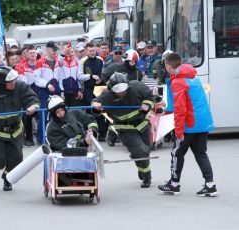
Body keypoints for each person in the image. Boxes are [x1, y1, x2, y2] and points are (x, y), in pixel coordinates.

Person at [157, 53, 217, 197]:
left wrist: (178, 131)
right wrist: (165, 110)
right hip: (203, 122)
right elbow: (181, 103)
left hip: (189, 124)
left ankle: (174, 184)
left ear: (168, 66)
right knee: (200, 153)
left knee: (176, 153)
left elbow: (180, 109)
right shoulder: (192, 76)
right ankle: (210, 185)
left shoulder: (178, 82)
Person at [0, 66, 39, 191]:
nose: (13, 83)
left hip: (16, 130)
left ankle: (7, 178)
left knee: (17, 159)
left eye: (14, 80)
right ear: (2, 83)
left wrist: (32, 107)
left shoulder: (20, 86)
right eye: (10, 82)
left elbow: (32, 98)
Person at [92, 72, 155, 188]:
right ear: (111, 88)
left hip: (142, 124)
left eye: (123, 89)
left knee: (145, 151)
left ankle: (140, 165)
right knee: (140, 151)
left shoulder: (137, 86)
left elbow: (150, 97)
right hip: (124, 128)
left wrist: (147, 105)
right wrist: (96, 106)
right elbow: (95, 103)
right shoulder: (107, 96)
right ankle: (147, 176)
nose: (121, 92)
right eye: (117, 90)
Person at [34, 41, 62, 144]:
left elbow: (60, 76)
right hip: (45, 91)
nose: (55, 52)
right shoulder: (40, 62)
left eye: (55, 50)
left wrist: (61, 90)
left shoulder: (57, 61)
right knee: (44, 114)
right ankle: (41, 138)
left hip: (57, 90)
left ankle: (56, 136)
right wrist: (47, 84)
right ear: (48, 50)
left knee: (58, 113)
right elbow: (36, 79)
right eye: (53, 50)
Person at [78, 42, 106, 142]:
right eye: (90, 51)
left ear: (96, 50)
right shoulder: (83, 61)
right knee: (90, 112)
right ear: (86, 51)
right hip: (88, 89)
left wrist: (100, 79)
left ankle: (102, 134)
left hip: (100, 88)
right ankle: (92, 134)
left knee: (101, 111)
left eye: (93, 50)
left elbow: (104, 72)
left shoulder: (101, 60)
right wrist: (90, 76)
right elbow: (79, 76)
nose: (92, 52)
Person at [16, 45, 38, 147]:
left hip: (41, 92)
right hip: (28, 95)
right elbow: (21, 82)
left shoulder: (41, 64)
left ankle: (42, 136)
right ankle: (29, 138)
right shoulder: (22, 67)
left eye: (34, 52)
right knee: (27, 116)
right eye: (30, 53)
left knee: (42, 115)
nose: (33, 55)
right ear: (27, 55)